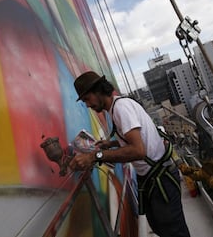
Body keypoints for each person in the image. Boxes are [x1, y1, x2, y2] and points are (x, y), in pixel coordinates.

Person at [69, 71, 191, 237]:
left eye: (87, 99)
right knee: (160, 227)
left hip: (160, 179)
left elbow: (138, 151)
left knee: (173, 231)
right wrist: (110, 144)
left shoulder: (121, 109)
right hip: (152, 178)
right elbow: (133, 138)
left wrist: (95, 156)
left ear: (98, 91)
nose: (87, 105)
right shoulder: (116, 107)